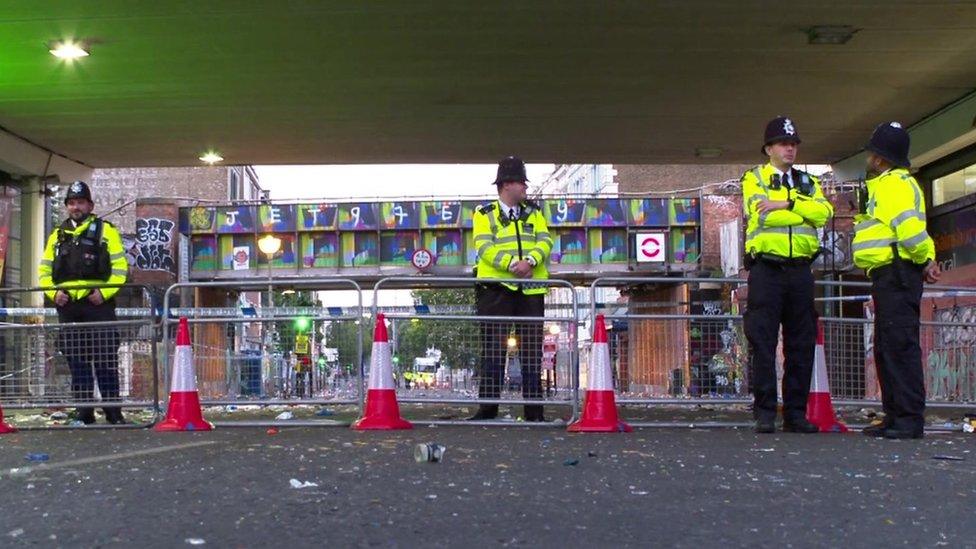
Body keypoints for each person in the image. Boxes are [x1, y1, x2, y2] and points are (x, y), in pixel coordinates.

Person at [741, 117, 834, 434]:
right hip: (767, 269)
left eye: (793, 144)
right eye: (783, 143)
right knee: (763, 343)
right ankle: (765, 412)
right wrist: (799, 209)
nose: (790, 149)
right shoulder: (754, 179)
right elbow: (762, 214)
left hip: (800, 271)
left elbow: (825, 213)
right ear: (768, 149)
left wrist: (787, 201)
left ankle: (795, 414)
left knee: (802, 343)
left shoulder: (809, 181)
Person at [853, 122, 940, 439]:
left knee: (899, 346)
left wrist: (921, 259)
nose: (869, 157)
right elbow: (918, 229)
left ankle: (907, 418)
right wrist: (927, 258)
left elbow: (909, 231)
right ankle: (896, 414)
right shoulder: (891, 185)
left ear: (880, 157)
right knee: (888, 346)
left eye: (872, 152)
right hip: (891, 273)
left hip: (898, 272)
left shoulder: (893, 185)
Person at [469, 156, 553, 422]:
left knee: (532, 352)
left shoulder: (535, 213)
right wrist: (510, 264)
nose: (526, 188)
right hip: (496, 290)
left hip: (529, 290)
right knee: (493, 351)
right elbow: (483, 245)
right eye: (521, 183)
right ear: (507, 185)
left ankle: (534, 413)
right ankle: (487, 410)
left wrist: (530, 261)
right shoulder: (484, 214)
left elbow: (545, 240)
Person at [39, 181, 129, 425]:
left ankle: (113, 412)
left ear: (90, 205)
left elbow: (120, 269)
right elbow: (45, 272)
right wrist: (52, 293)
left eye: (80, 202)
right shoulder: (57, 236)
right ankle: (84, 411)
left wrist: (104, 292)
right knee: (77, 360)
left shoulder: (106, 231)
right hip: (69, 307)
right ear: (67, 207)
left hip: (98, 304)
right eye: (71, 203)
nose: (76, 207)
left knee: (105, 358)